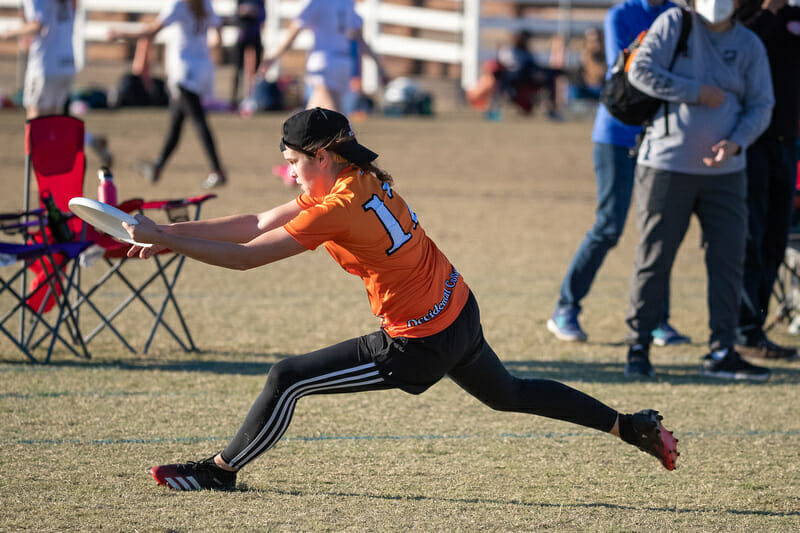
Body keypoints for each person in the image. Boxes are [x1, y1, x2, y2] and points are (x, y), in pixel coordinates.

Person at [121, 107, 679, 491]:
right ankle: (630, 426)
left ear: (319, 155)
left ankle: (221, 471)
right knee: (511, 392)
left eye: (292, 161)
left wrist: (170, 239)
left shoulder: (334, 207)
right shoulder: (356, 177)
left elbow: (248, 256)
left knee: (286, 378)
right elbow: (256, 222)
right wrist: (172, 235)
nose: (289, 171)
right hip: (458, 308)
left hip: (419, 343)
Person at [625, 0, 774, 380]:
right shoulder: (675, 24)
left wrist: (737, 142)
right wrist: (694, 90)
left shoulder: (749, 44)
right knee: (654, 257)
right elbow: (638, 70)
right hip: (665, 165)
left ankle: (722, 349)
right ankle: (638, 346)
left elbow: (761, 104)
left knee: (728, 259)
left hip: (727, 172)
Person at [546, 0, 692, 367]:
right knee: (609, 226)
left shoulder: (677, 13)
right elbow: (630, 68)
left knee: (658, 229)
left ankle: (657, 320)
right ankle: (566, 308)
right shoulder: (621, 15)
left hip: (660, 135)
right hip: (616, 135)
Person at [734, 0, 800, 361]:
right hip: (751, 143)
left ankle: (755, 327)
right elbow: (741, 45)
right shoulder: (744, 16)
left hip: (788, 142)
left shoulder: (793, 17)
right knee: (751, 239)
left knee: (776, 237)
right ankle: (744, 328)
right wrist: (769, 10)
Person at [109, 0, 228, 189]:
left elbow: (151, 32)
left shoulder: (179, 5)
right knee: (177, 121)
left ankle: (217, 170)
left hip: (184, 71)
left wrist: (120, 34)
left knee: (198, 121)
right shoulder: (205, 4)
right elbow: (217, 39)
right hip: (202, 68)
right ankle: (158, 167)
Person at [0, 0, 112, 167]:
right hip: (66, 63)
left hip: (45, 66)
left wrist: (9, 33)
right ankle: (87, 141)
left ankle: (44, 176)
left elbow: (38, 25)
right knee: (54, 124)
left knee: (37, 126)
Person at [257, 0, 387, 113]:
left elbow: (293, 33)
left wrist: (273, 57)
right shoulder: (347, 2)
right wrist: (380, 66)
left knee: (334, 118)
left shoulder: (317, 2)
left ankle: (343, 140)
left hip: (324, 62)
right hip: (344, 62)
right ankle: (301, 140)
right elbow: (360, 40)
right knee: (314, 114)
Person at [230, 0, 266, 109]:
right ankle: (234, 99)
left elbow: (263, 15)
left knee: (256, 70)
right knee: (238, 69)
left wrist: (254, 12)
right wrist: (243, 11)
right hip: (242, 35)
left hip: (255, 36)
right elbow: (236, 14)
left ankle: (254, 98)